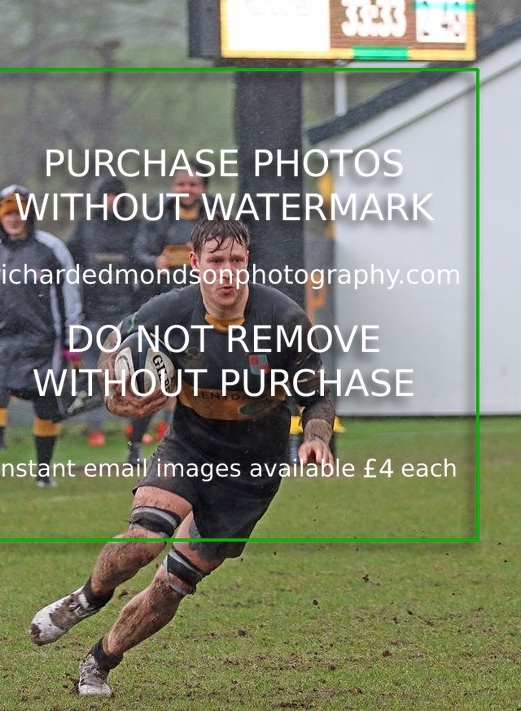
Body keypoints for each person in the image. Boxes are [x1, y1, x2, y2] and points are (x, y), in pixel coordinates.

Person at [29, 216, 335, 697]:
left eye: (236, 260)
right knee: (145, 539)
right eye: (216, 261)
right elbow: (114, 345)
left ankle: (99, 661)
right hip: (189, 447)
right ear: (195, 264)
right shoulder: (172, 310)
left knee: (173, 584)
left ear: (247, 261)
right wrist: (115, 394)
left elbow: (316, 397)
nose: (227, 273)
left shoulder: (284, 319)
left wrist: (317, 436)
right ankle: (86, 598)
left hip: (251, 472)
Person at [0, 185, 85, 488]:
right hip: (2, 343)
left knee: (46, 407)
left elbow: (68, 295)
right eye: (7, 213)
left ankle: (43, 472)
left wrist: (71, 343)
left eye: (19, 212)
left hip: (43, 343)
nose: (13, 218)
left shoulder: (50, 249)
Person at [126, 163, 213, 463]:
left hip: (203, 311)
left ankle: (193, 447)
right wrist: (154, 262)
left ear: (203, 188)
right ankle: (134, 446)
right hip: (165, 310)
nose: (185, 190)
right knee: (153, 378)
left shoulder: (215, 217)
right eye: (180, 184)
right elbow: (136, 252)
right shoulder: (157, 215)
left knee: (198, 381)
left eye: (192, 184)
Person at [67, 173, 140, 447]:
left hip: (126, 311)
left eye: (116, 195)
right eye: (107, 195)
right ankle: (95, 426)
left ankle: (134, 425)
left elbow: (141, 263)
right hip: (93, 313)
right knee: (94, 373)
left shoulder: (134, 226)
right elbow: (68, 260)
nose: (111, 201)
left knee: (130, 370)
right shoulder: (85, 226)